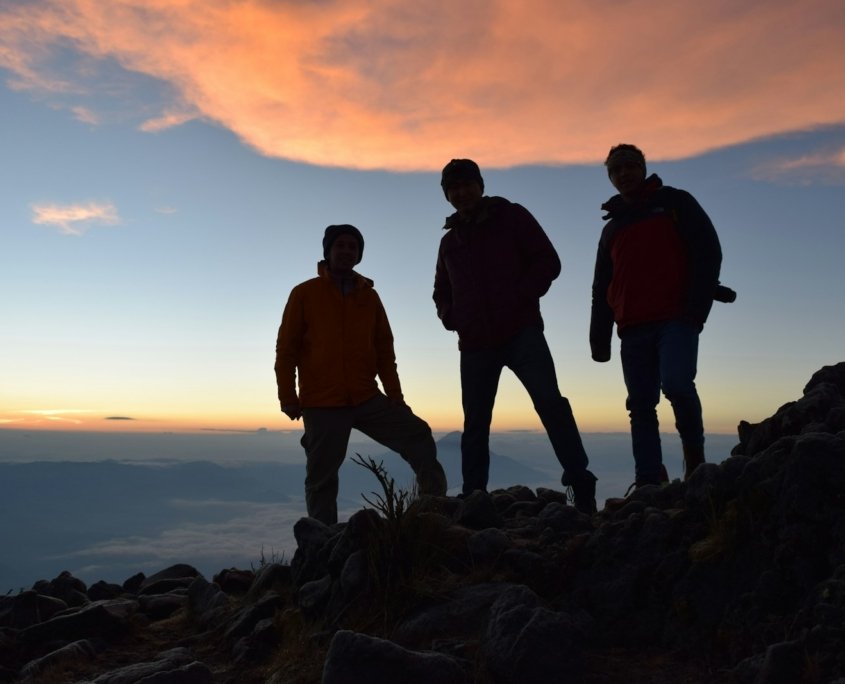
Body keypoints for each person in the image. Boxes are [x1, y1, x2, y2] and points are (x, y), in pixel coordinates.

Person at [433, 159, 597, 514]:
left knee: (550, 404)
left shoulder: (511, 216)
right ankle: (475, 495)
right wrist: (452, 318)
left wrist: (521, 296)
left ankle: (581, 482)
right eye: (453, 188)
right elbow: (440, 291)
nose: (461, 193)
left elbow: (547, 260)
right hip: (475, 342)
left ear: (480, 185)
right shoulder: (449, 242)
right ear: (447, 195)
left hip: (521, 331)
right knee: (475, 422)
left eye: (466, 185)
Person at [275, 224, 447, 525]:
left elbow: (384, 351)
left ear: (359, 255)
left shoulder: (370, 297)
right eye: (339, 245)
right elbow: (286, 349)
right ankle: (323, 543)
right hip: (322, 402)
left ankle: (433, 513)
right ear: (327, 251)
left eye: (352, 247)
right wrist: (288, 396)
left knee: (417, 434)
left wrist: (395, 396)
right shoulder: (304, 293)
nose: (345, 251)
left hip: (366, 396)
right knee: (321, 479)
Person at [590, 144, 723, 489]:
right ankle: (649, 481)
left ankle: (695, 462)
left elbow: (708, 251)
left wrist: (696, 310)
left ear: (643, 168)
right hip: (632, 327)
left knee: (677, 385)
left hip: (676, 317)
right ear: (611, 178)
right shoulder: (611, 228)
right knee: (641, 406)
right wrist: (599, 339)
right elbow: (602, 286)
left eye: (630, 167)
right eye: (616, 171)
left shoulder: (676, 202)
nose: (624, 175)